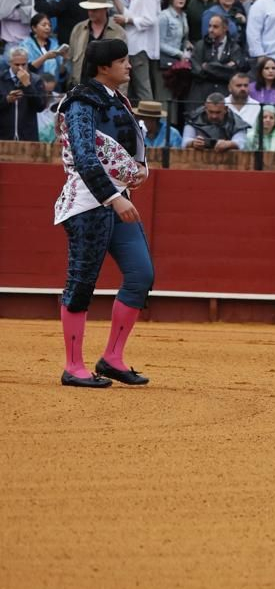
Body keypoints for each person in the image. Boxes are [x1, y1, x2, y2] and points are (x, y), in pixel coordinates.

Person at [53, 39, 155, 388]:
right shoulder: (82, 101)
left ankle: (112, 358)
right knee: (81, 282)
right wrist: (114, 197)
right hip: (88, 202)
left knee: (141, 275)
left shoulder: (117, 100)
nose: (129, 66)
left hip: (116, 197)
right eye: (123, 61)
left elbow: (131, 141)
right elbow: (84, 155)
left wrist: (142, 169)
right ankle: (73, 366)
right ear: (104, 67)